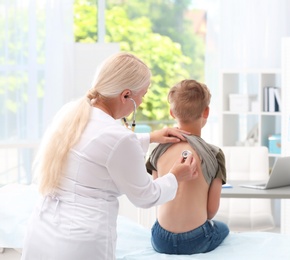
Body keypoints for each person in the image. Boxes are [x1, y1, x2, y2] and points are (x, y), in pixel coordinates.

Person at [21, 52, 198, 260]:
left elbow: (94, 150)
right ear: (125, 95)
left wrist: (150, 137)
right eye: (143, 94)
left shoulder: (70, 112)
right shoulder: (119, 138)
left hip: (42, 231)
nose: (141, 102)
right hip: (80, 244)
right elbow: (146, 196)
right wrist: (176, 176)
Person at [145, 79, 230, 255]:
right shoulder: (214, 154)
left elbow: (158, 194)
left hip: (161, 240)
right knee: (223, 228)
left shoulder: (158, 151)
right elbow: (210, 212)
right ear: (206, 112)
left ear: (171, 112)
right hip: (196, 239)